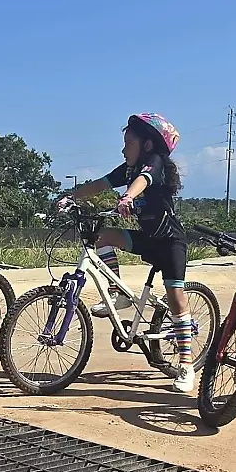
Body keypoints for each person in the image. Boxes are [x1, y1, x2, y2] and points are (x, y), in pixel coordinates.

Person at [63, 113, 197, 393]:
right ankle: (120, 292)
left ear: (147, 145)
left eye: (129, 143)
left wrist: (128, 197)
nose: (124, 149)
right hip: (148, 239)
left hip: (171, 241)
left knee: (175, 298)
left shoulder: (155, 164)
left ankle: (186, 365)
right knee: (101, 236)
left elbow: (144, 181)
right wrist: (70, 197)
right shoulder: (126, 169)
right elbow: (100, 184)